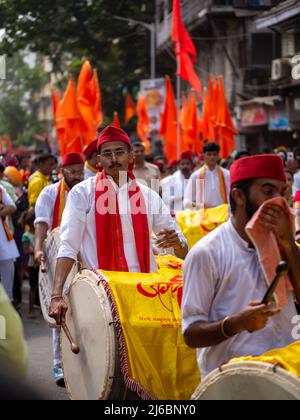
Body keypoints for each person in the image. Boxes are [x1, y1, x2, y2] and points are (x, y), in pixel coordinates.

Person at [49, 126, 188, 326]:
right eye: (107, 153)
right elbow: (69, 246)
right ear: (98, 160)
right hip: (101, 297)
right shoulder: (82, 194)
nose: (114, 159)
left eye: (119, 152)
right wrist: (56, 295)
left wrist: (178, 244)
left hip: (144, 293)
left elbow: (182, 250)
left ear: (131, 156)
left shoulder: (148, 196)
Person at [182, 154, 300, 378]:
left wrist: (288, 243)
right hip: (233, 379)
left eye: (281, 193)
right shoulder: (206, 252)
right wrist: (235, 324)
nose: (278, 202)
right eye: (268, 192)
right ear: (239, 196)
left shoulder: (284, 242)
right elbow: (191, 333)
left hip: (286, 373)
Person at [34, 152, 84, 387]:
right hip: (57, 255)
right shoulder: (49, 192)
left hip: (83, 255)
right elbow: (42, 223)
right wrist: (37, 249)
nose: (77, 175)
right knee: (59, 306)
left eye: (80, 171)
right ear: (62, 171)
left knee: (84, 307)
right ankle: (58, 363)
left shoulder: (87, 191)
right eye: (72, 171)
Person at [184, 142, 230, 210]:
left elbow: (231, 198)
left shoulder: (227, 174)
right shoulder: (196, 175)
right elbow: (186, 202)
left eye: (214, 154)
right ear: (204, 155)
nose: (212, 157)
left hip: (223, 215)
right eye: (209, 154)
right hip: (202, 215)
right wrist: (199, 206)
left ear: (218, 156)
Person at [0, 186, 19, 301]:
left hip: (3, 241)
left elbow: (12, 207)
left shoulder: (1, 189)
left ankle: (8, 305)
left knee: (8, 273)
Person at [22, 212, 39, 319]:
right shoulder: (26, 236)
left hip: (41, 263)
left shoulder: (41, 233)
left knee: (41, 286)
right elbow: (26, 249)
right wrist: (37, 252)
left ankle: (43, 309)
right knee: (33, 287)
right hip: (32, 264)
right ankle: (30, 310)